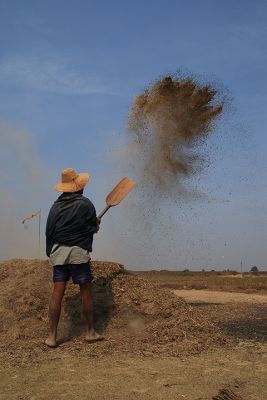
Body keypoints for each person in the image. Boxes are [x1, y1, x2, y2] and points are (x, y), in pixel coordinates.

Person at [45, 168, 103, 348]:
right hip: (78, 253)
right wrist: (95, 224)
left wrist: (51, 253)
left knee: (57, 294)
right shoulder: (86, 204)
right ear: (78, 187)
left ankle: (52, 337)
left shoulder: (55, 206)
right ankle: (90, 332)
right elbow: (91, 228)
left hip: (59, 253)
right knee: (85, 291)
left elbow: (49, 232)